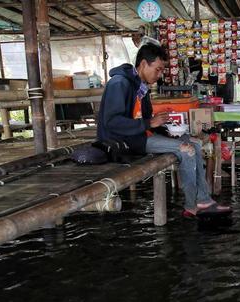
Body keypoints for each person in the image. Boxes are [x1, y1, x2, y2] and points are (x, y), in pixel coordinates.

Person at [97, 43, 230, 218]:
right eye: (158, 70)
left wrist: (165, 128)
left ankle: (204, 199)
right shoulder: (119, 83)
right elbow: (111, 122)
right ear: (144, 64)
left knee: (195, 144)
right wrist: (150, 123)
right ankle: (191, 206)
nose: (160, 75)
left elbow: (145, 120)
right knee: (187, 150)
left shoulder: (140, 85)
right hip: (122, 142)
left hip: (139, 136)